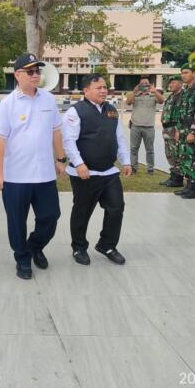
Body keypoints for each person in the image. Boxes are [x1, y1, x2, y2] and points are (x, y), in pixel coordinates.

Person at [0, 53, 66, 280]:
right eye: (30, 71)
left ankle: (34, 246)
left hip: (44, 174)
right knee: (16, 222)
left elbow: (56, 132)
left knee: (51, 217)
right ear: (17, 75)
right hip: (16, 176)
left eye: (38, 71)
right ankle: (22, 258)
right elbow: (0, 140)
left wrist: (61, 159)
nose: (36, 75)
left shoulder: (48, 99)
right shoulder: (8, 104)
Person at [63, 74, 132, 266]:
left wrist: (126, 161)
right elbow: (68, 141)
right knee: (82, 211)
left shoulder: (111, 111)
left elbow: (119, 138)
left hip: (109, 172)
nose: (103, 90)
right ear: (86, 90)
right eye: (98, 88)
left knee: (116, 208)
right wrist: (79, 164)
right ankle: (79, 247)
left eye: (105, 87)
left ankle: (107, 245)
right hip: (85, 173)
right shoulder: (75, 112)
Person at [174, 64, 195, 199]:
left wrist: (193, 132)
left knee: (193, 158)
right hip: (183, 128)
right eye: (182, 73)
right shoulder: (185, 89)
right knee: (184, 158)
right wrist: (178, 129)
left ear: (194, 73)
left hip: (192, 128)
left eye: (186, 72)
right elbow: (180, 111)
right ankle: (188, 185)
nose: (183, 75)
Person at [125, 76, 163, 174]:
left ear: (150, 85)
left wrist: (155, 91)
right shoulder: (135, 95)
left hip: (149, 127)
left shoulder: (153, 95)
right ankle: (134, 168)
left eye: (146, 84)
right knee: (134, 149)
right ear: (139, 85)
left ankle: (150, 169)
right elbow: (128, 103)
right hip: (135, 126)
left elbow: (161, 101)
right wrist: (134, 92)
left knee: (150, 150)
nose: (144, 85)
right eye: (142, 84)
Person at [159, 75, 184, 187]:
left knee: (176, 154)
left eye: (174, 82)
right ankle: (173, 176)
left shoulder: (182, 96)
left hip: (175, 129)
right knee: (169, 154)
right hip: (167, 129)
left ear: (180, 84)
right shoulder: (171, 96)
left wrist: (179, 130)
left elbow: (183, 115)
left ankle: (178, 179)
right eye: (170, 83)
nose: (171, 85)